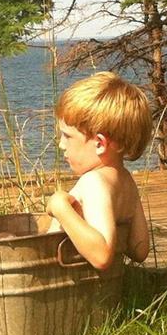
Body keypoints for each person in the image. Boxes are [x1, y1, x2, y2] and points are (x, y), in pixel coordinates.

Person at [46, 72, 152, 270]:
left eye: (67, 136)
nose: (61, 144)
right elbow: (140, 249)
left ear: (100, 144)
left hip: (63, 280)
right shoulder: (125, 179)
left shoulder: (94, 183)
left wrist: (60, 207)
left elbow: (101, 256)